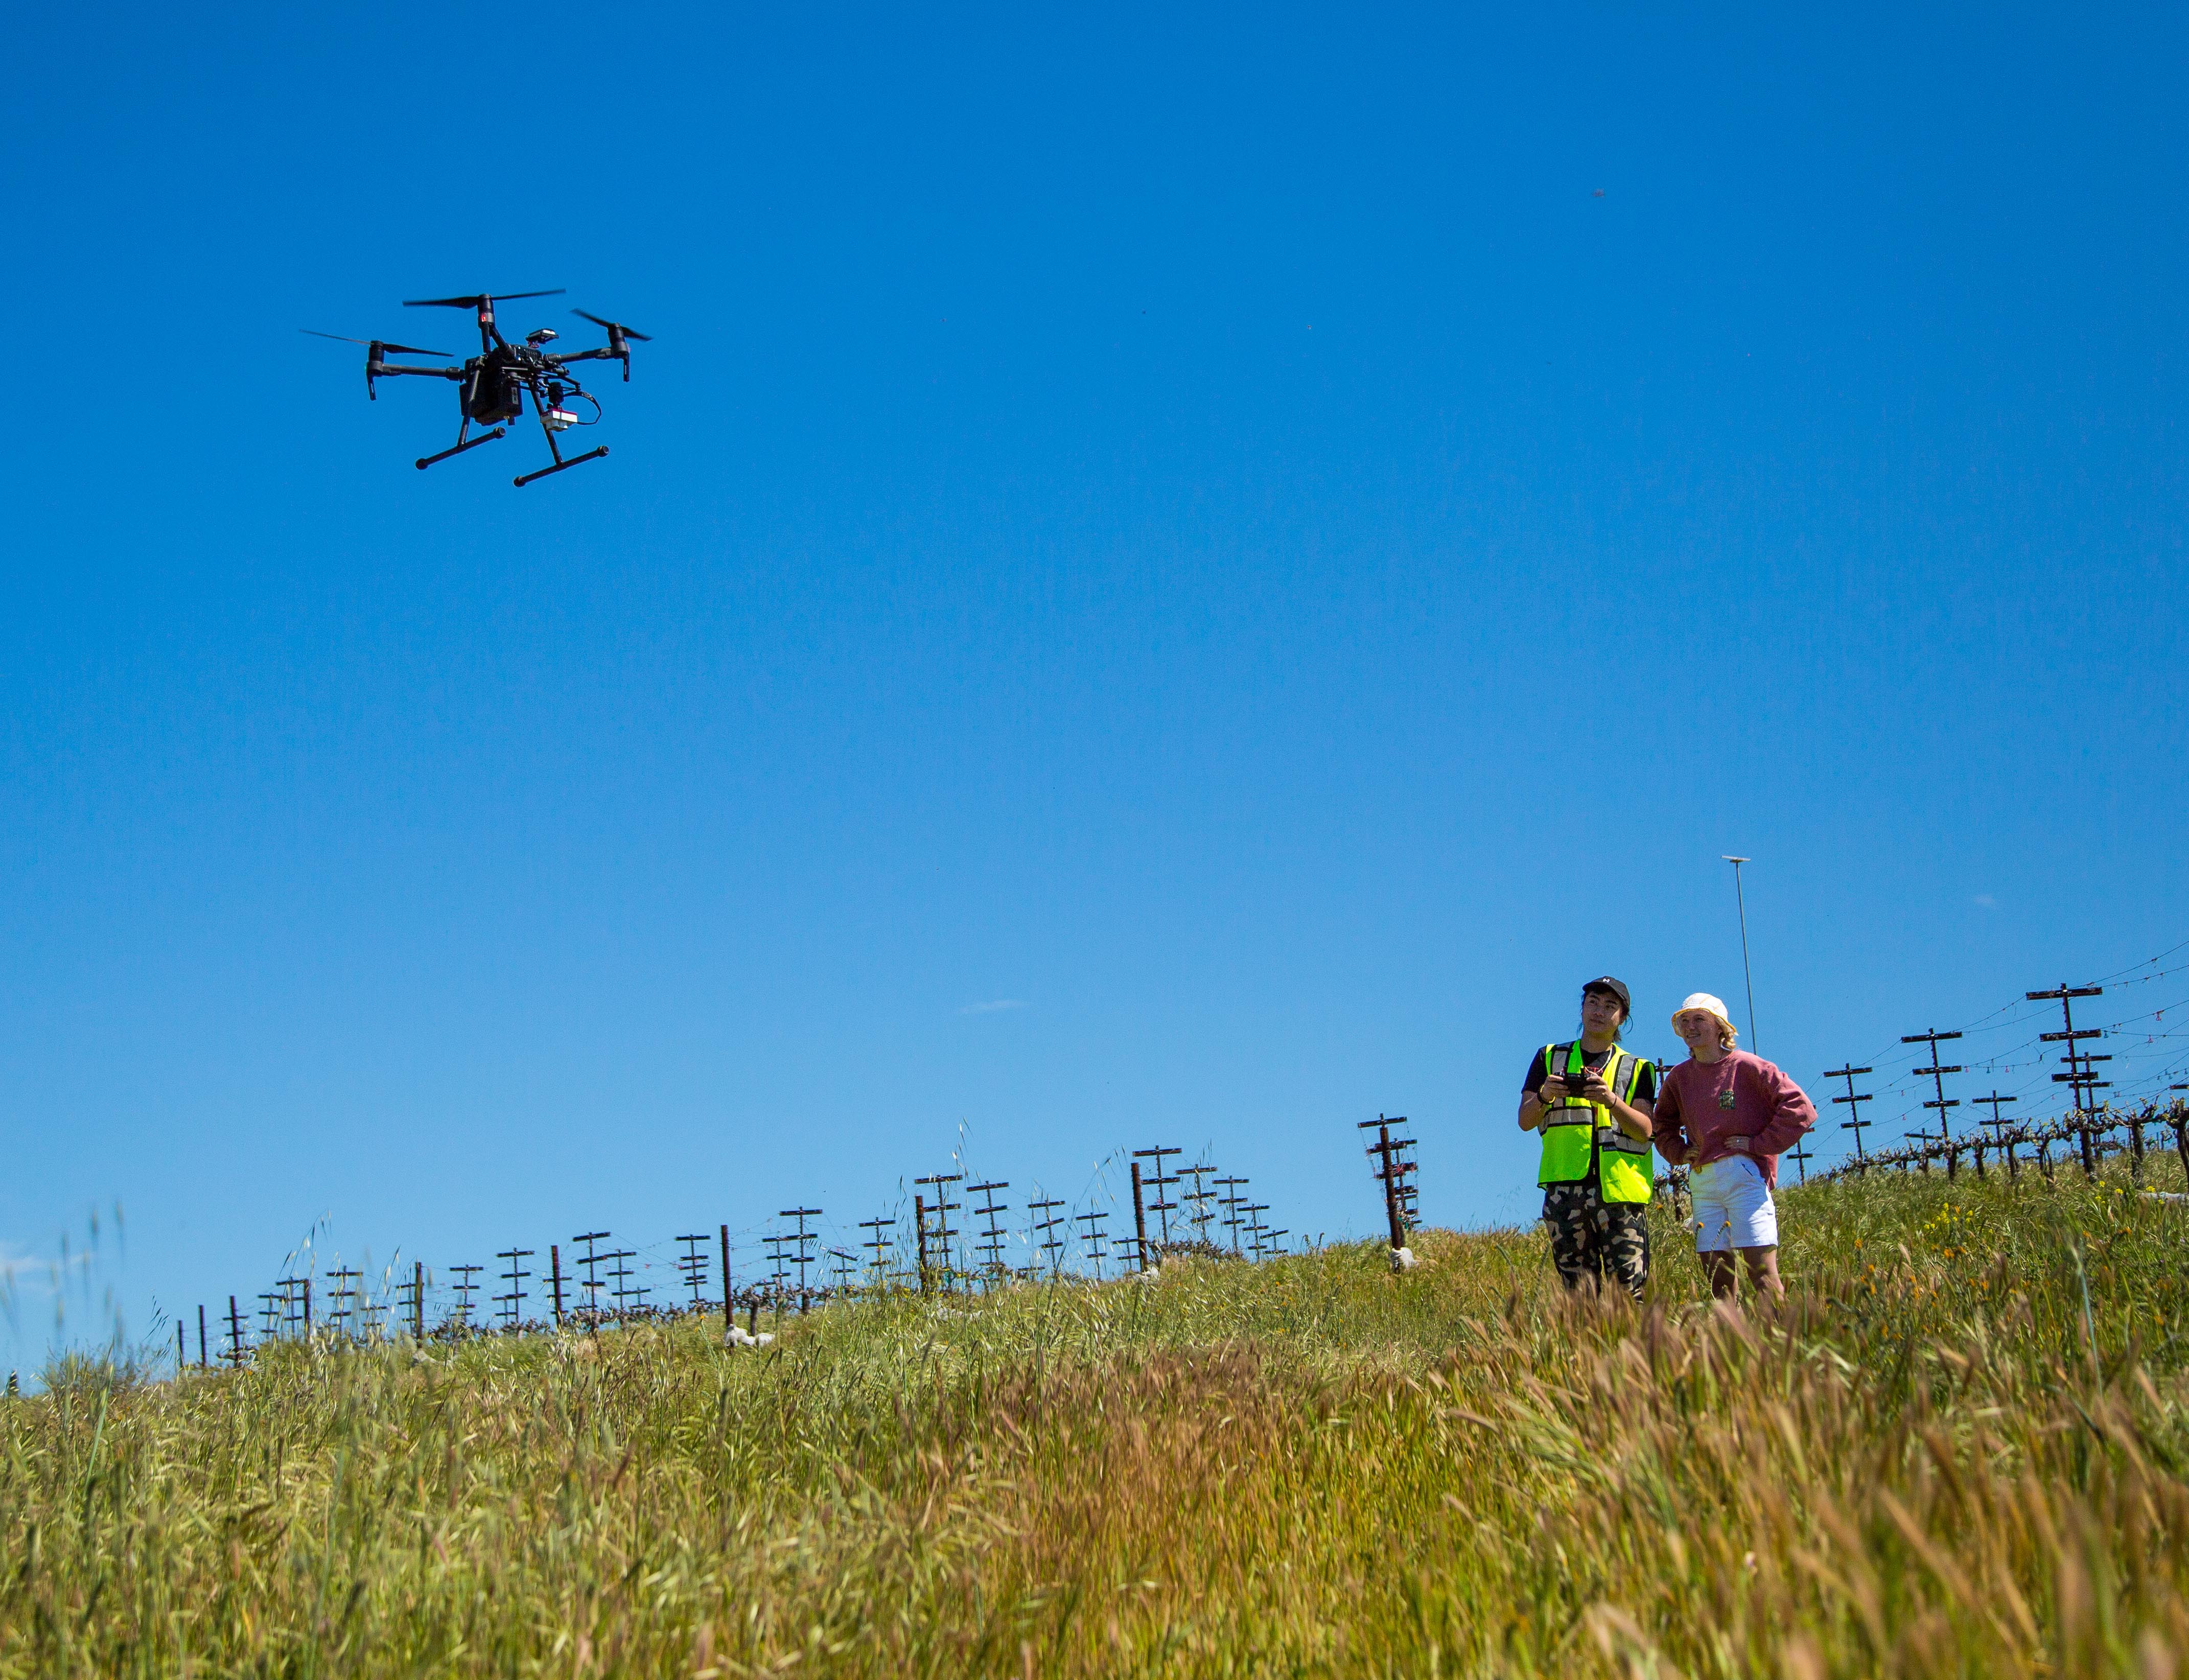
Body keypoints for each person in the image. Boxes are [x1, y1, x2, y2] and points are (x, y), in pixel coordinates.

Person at [1651, 993, 1817, 1303]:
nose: (1690, 1027)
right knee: (1718, 1282)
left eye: (1699, 1019)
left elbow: (1800, 1109)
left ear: (1720, 1027)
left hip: (1744, 1176)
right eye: (1684, 1021)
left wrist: (1758, 1145)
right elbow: (1662, 1125)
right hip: (1702, 1180)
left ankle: (1780, 1344)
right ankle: (1733, 1346)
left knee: (1763, 1274)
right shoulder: (1679, 1077)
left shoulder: (1748, 1065)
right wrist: (1677, 1151)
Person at [1517, 976, 1659, 1300]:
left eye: (1611, 1006)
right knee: (1579, 1296)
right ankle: (1584, 1352)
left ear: (1623, 1018)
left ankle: (1626, 1351)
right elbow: (1525, 1121)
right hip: (1564, 1191)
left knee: (1628, 1296)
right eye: (1593, 1002)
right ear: (1581, 1009)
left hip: (1620, 1194)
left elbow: (1645, 1129)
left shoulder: (1638, 1067)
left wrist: (1612, 1101)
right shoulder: (1549, 1057)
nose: (1599, 1011)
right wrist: (1544, 1096)